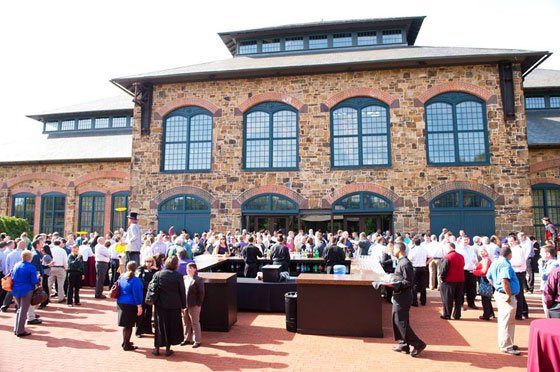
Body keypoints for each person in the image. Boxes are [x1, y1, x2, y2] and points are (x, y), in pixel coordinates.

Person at [383, 242, 426, 357]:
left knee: (400, 321)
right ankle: (403, 344)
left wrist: (393, 284)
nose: (392, 251)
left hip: (403, 296)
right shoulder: (401, 262)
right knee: (397, 319)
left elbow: (408, 282)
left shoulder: (405, 263)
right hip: (399, 295)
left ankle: (418, 344)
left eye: (394, 249)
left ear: (399, 249)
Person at [487, 246, 521, 356]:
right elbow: (504, 280)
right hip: (505, 296)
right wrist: (508, 294)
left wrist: (496, 287)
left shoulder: (495, 262)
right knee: (507, 320)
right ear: (509, 255)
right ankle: (506, 345)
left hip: (500, 293)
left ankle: (507, 342)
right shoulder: (505, 264)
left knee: (505, 320)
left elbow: (489, 276)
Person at [152, 256, 187, 357]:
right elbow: (182, 292)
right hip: (174, 305)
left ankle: (157, 348)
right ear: (176, 264)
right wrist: (183, 306)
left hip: (160, 305)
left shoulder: (158, 274)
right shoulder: (178, 276)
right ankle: (168, 348)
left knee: (159, 327)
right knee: (170, 326)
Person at [117, 261, 143, 351]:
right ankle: (126, 344)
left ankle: (125, 341)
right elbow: (137, 294)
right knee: (129, 325)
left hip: (121, 302)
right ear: (136, 268)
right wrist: (139, 306)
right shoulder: (136, 280)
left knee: (125, 325)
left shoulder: (121, 277)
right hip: (130, 304)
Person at [12, 250, 39, 337]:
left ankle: (17, 328)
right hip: (26, 289)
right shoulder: (31, 267)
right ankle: (20, 330)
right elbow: (34, 281)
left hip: (16, 289)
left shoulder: (17, 265)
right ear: (30, 258)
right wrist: (38, 278)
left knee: (19, 309)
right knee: (23, 310)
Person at [439, 242, 465, 320]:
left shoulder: (447, 257)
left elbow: (444, 270)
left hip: (449, 280)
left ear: (450, 247)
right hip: (460, 280)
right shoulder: (461, 256)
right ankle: (457, 314)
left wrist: (442, 278)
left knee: (447, 298)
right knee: (458, 298)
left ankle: (447, 314)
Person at [181, 262, 205, 348]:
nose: (188, 270)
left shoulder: (198, 280)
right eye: (187, 268)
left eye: (191, 268)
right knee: (185, 322)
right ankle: (186, 339)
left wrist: (198, 304)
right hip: (185, 304)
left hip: (194, 305)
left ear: (195, 269)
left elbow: (201, 293)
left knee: (195, 322)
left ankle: (197, 340)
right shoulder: (184, 278)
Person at [508, 235, 528, 320]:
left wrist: (510, 264)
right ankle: (524, 311)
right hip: (515, 272)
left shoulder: (518, 250)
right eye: (509, 241)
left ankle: (519, 314)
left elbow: (519, 262)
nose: (510, 243)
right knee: (519, 294)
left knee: (518, 294)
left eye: (511, 241)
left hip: (518, 273)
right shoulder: (512, 249)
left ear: (516, 241)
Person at [136, 255, 157, 337]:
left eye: (150, 261)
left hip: (151, 294)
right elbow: (139, 278)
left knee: (149, 312)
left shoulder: (154, 270)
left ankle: (148, 329)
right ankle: (138, 331)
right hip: (143, 292)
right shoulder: (141, 268)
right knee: (141, 311)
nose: (148, 263)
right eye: (147, 261)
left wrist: (156, 270)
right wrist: (147, 285)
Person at [456, 236, 478, 309]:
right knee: (461, 289)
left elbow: (475, 258)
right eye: (464, 240)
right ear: (461, 240)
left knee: (472, 288)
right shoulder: (458, 249)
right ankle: (461, 304)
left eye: (467, 240)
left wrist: (475, 263)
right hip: (462, 271)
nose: (466, 241)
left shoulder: (471, 248)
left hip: (471, 271)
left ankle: (471, 303)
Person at [408, 238, 431, 307]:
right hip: (423, 268)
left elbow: (409, 259)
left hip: (415, 267)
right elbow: (431, 257)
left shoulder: (412, 250)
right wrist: (426, 263)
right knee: (423, 284)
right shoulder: (424, 250)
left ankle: (415, 301)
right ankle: (423, 301)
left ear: (414, 243)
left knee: (414, 285)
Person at [473, 246, 495, 320]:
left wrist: (474, 272)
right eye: (480, 251)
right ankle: (490, 313)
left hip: (485, 280)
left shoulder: (486, 260)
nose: (481, 253)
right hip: (485, 279)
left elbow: (484, 271)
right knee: (487, 298)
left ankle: (486, 315)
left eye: (483, 251)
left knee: (485, 298)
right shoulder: (485, 259)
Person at [539, 245, 559, 317]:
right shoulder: (547, 263)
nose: (540, 254)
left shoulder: (554, 264)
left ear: (548, 254)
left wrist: (540, 266)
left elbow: (544, 276)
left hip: (549, 292)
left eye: (542, 252)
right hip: (546, 290)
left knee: (548, 312)